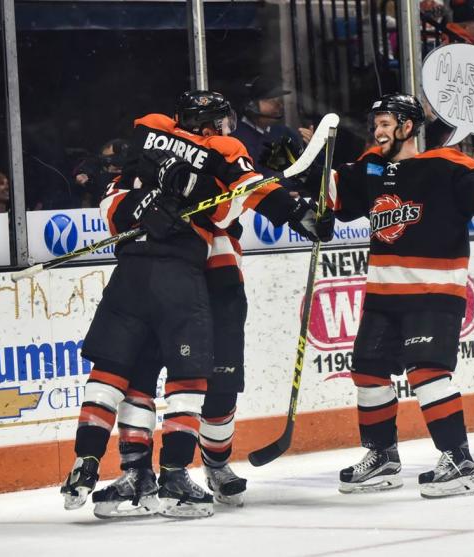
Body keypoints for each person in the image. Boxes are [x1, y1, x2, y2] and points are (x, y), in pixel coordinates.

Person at [61, 90, 328, 519]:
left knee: (219, 383)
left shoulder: (219, 161)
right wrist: (144, 206)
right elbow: (113, 206)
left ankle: (216, 466)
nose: (229, 129)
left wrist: (297, 205)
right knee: (140, 379)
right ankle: (138, 473)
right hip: (168, 274)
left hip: (215, 281)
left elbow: (236, 203)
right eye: (222, 122)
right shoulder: (159, 157)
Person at [322, 93, 474, 498]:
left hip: (434, 291)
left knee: (427, 373)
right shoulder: (370, 168)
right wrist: (299, 165)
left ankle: (458, 459)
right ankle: (382, 456)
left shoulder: (447, 164)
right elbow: (331, 200)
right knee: (366, 373)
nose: (378, 131)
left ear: (407, 127)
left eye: (386, 124)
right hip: (383, 295)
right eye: (376, 124)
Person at [231, 76, 313, 194]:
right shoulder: (235, 137)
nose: (279, 106)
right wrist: (280, 193)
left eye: (280, 101)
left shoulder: (285, 133)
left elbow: (307, 173)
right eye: (272, 101)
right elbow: (244, 182)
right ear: (252, 105)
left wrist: (313, 149)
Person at [72, 138, 129, 207]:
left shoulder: (133, 172)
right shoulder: (95, 166)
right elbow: (85, 169)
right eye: (108, 159)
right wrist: (82, 175)